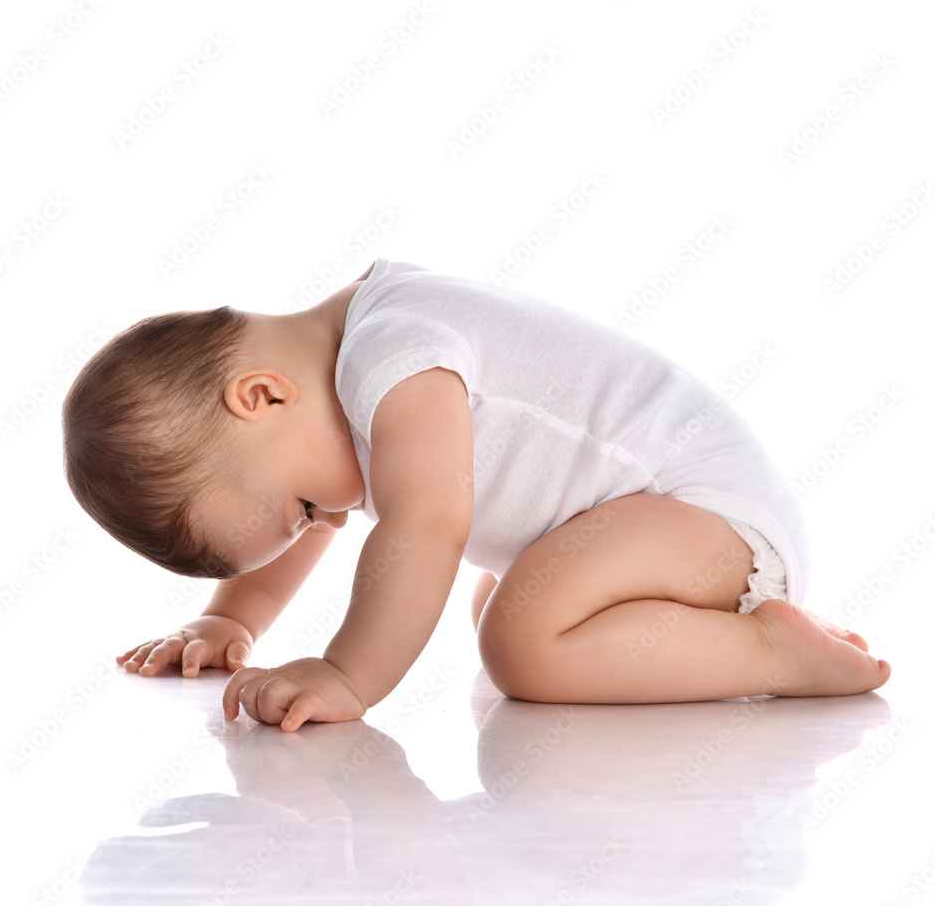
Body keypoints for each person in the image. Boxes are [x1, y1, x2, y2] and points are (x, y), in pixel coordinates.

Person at [61, 259, 890, 731]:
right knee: (503, 610)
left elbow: (427, 524)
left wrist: (351, 674)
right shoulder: (351, 361)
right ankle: (722, 635)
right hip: (658, 526)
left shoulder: (397, 357)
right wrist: (234, 619)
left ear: (261, 395)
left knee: (520, 642)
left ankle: (776, 655)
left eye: (304, 507)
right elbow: (328, 526)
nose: (328, 519)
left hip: (715, 520)